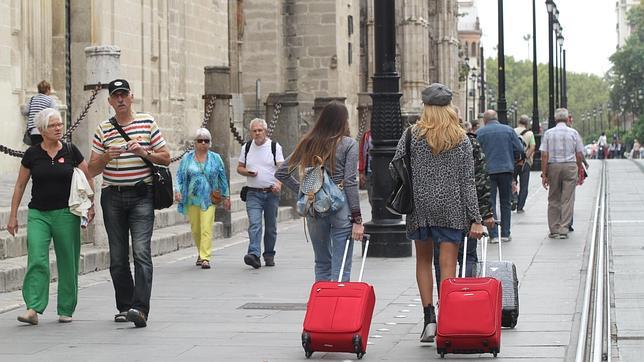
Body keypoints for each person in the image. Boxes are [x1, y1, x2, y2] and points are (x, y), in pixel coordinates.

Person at [392, 84, 484, 343]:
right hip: (451, 208)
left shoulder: (412, 135)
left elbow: (395, 165)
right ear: (448, 107)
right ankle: (447, 318)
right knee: (447, 265)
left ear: (426, 106)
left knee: (422, 261)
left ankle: (428, 319)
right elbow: (468, 181)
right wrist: (475, 217)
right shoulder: (460, 138)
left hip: (420, 207)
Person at [88, 79, 170, 328]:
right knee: (118, 257)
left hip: (141, 195)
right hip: (112, 196)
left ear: (131, 97)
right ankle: (125, 306)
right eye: (116, 96)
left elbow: (165, 158)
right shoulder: (103, 129)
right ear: (110, 101)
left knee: (142, 252)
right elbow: (91, 169)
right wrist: (105, 156)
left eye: (124, 94)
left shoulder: (147, 122)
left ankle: (140, 308)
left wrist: (144, 153)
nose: (121, 99)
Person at [8, 108, 94, 325]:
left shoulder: (71, 151)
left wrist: (90, 205)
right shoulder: (32, 154)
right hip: (39, 214)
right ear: (42, 130)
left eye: (59, 124)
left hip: (66, 214)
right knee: (37, 258)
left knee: (68, 262)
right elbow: (19, 186)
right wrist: (13, 216)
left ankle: (66, 308)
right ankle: (33, 308)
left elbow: (87, 176)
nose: (58, 128)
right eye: (53, 125)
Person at [275, 102, 364, 282]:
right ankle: (338, 307)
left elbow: (281, 172)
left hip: (314, 205)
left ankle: (322, 306)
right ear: (343, 121)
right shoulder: (348, 144)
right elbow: (349, 182)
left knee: (322, 263)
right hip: (341, 207)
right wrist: (357, 218)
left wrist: (305, 191)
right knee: (341, 268)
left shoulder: (308, 142)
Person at [433, 120, 494, 284]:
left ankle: (444, 299)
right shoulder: (469, 142)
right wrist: (485, 213)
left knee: (441, 259)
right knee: (468, 255)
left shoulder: (431, 142)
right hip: (466, 209)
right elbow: (480, 180)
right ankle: (465, 296)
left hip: (438, 211)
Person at [175, 128, 231, 269]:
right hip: (192, 198)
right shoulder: (187, 158)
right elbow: (180, 176)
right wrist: (177, 191)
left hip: (209, 199)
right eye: (200, 140)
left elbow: (222, 178)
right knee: (195, 228)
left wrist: (226, 196)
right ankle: (200, 252)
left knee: (206, 227)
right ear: (195, 142)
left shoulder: (215, 158)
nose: (203, 143)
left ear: (210, 143)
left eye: (206, 141)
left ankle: (205, 257)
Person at [237, 118, 284, 269]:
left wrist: (278, 183)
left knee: (271, 227)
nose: (257, 133)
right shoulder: (247, 147)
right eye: (254, 131)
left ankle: (269, 254)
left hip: (271, 193)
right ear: (251, 132)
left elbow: (282, 170)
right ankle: (254, 254)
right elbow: (239, 167)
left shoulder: (274, 147)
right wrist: (247, 172)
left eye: (260, 130)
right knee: (255, 224)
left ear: (265, 131)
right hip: (253, 193)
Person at [476, 110, 525, 243]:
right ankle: (505, 233)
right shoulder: (508, 130)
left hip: (487, 172)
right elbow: (520, 149)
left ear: (485, 121)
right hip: (506, 170)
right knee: (506, 202)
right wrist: (513, 159)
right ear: (496, 118)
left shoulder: (480, 133)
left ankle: (493, 235)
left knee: (490, 203)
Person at [539, 108, 584, 239]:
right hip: (570, 166)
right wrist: (578, 167)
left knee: (553, 198)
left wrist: (544, 173)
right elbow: (579, 153)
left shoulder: (548, 133)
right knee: (567, 199)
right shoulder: (573, 133)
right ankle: (564, 228)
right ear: (567, 119)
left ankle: (554, 229)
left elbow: (544, 154)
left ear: (555, 119)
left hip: (553, 166)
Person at [513, 115, 536, 213]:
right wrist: (526, 156)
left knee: (512, 182)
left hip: (513, 161)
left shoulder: (512, 131)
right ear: (527, 123)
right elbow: (533, 146)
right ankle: (520, 206)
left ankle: (514, 198)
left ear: (518, 121)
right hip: (525, 163)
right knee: (524, 185)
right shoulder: (530, 134)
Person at [24, 80, 57, 145]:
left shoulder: (32, 99)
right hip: (45, 130)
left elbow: (26, 111)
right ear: (48, 89)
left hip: (33, 131)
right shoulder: (50, 100)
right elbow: (55, 113)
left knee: (36, 151)